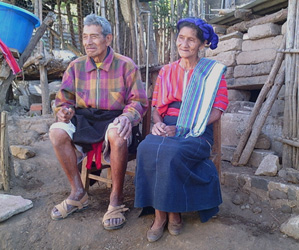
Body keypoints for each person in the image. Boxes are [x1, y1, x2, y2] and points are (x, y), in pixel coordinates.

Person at [49, 14, 148, 230]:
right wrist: (64, 111)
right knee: (56, 132)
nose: (88, 42)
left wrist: (126, 117)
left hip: (113, 118)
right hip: (84, 120)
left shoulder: (126, 65)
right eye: (85, 37)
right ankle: (78, 193)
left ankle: (116, 200)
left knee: (118, 135)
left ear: (108, 39)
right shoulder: (76, 66)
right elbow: (64, 99)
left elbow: (139, 101)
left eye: (94, 37)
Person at [134, 17, 228, 242]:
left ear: (202, 44)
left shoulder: (212, 73)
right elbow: (157, 106)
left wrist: (186, 126)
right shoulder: (166, 71)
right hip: (167, 125)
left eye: (191, 40)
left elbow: (218, 109)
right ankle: (160, 214)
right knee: (146, 147)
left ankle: (172, 213)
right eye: (181, 38)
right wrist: (158, 124)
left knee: (172, 152)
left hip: (198, 130)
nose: (184, 44)